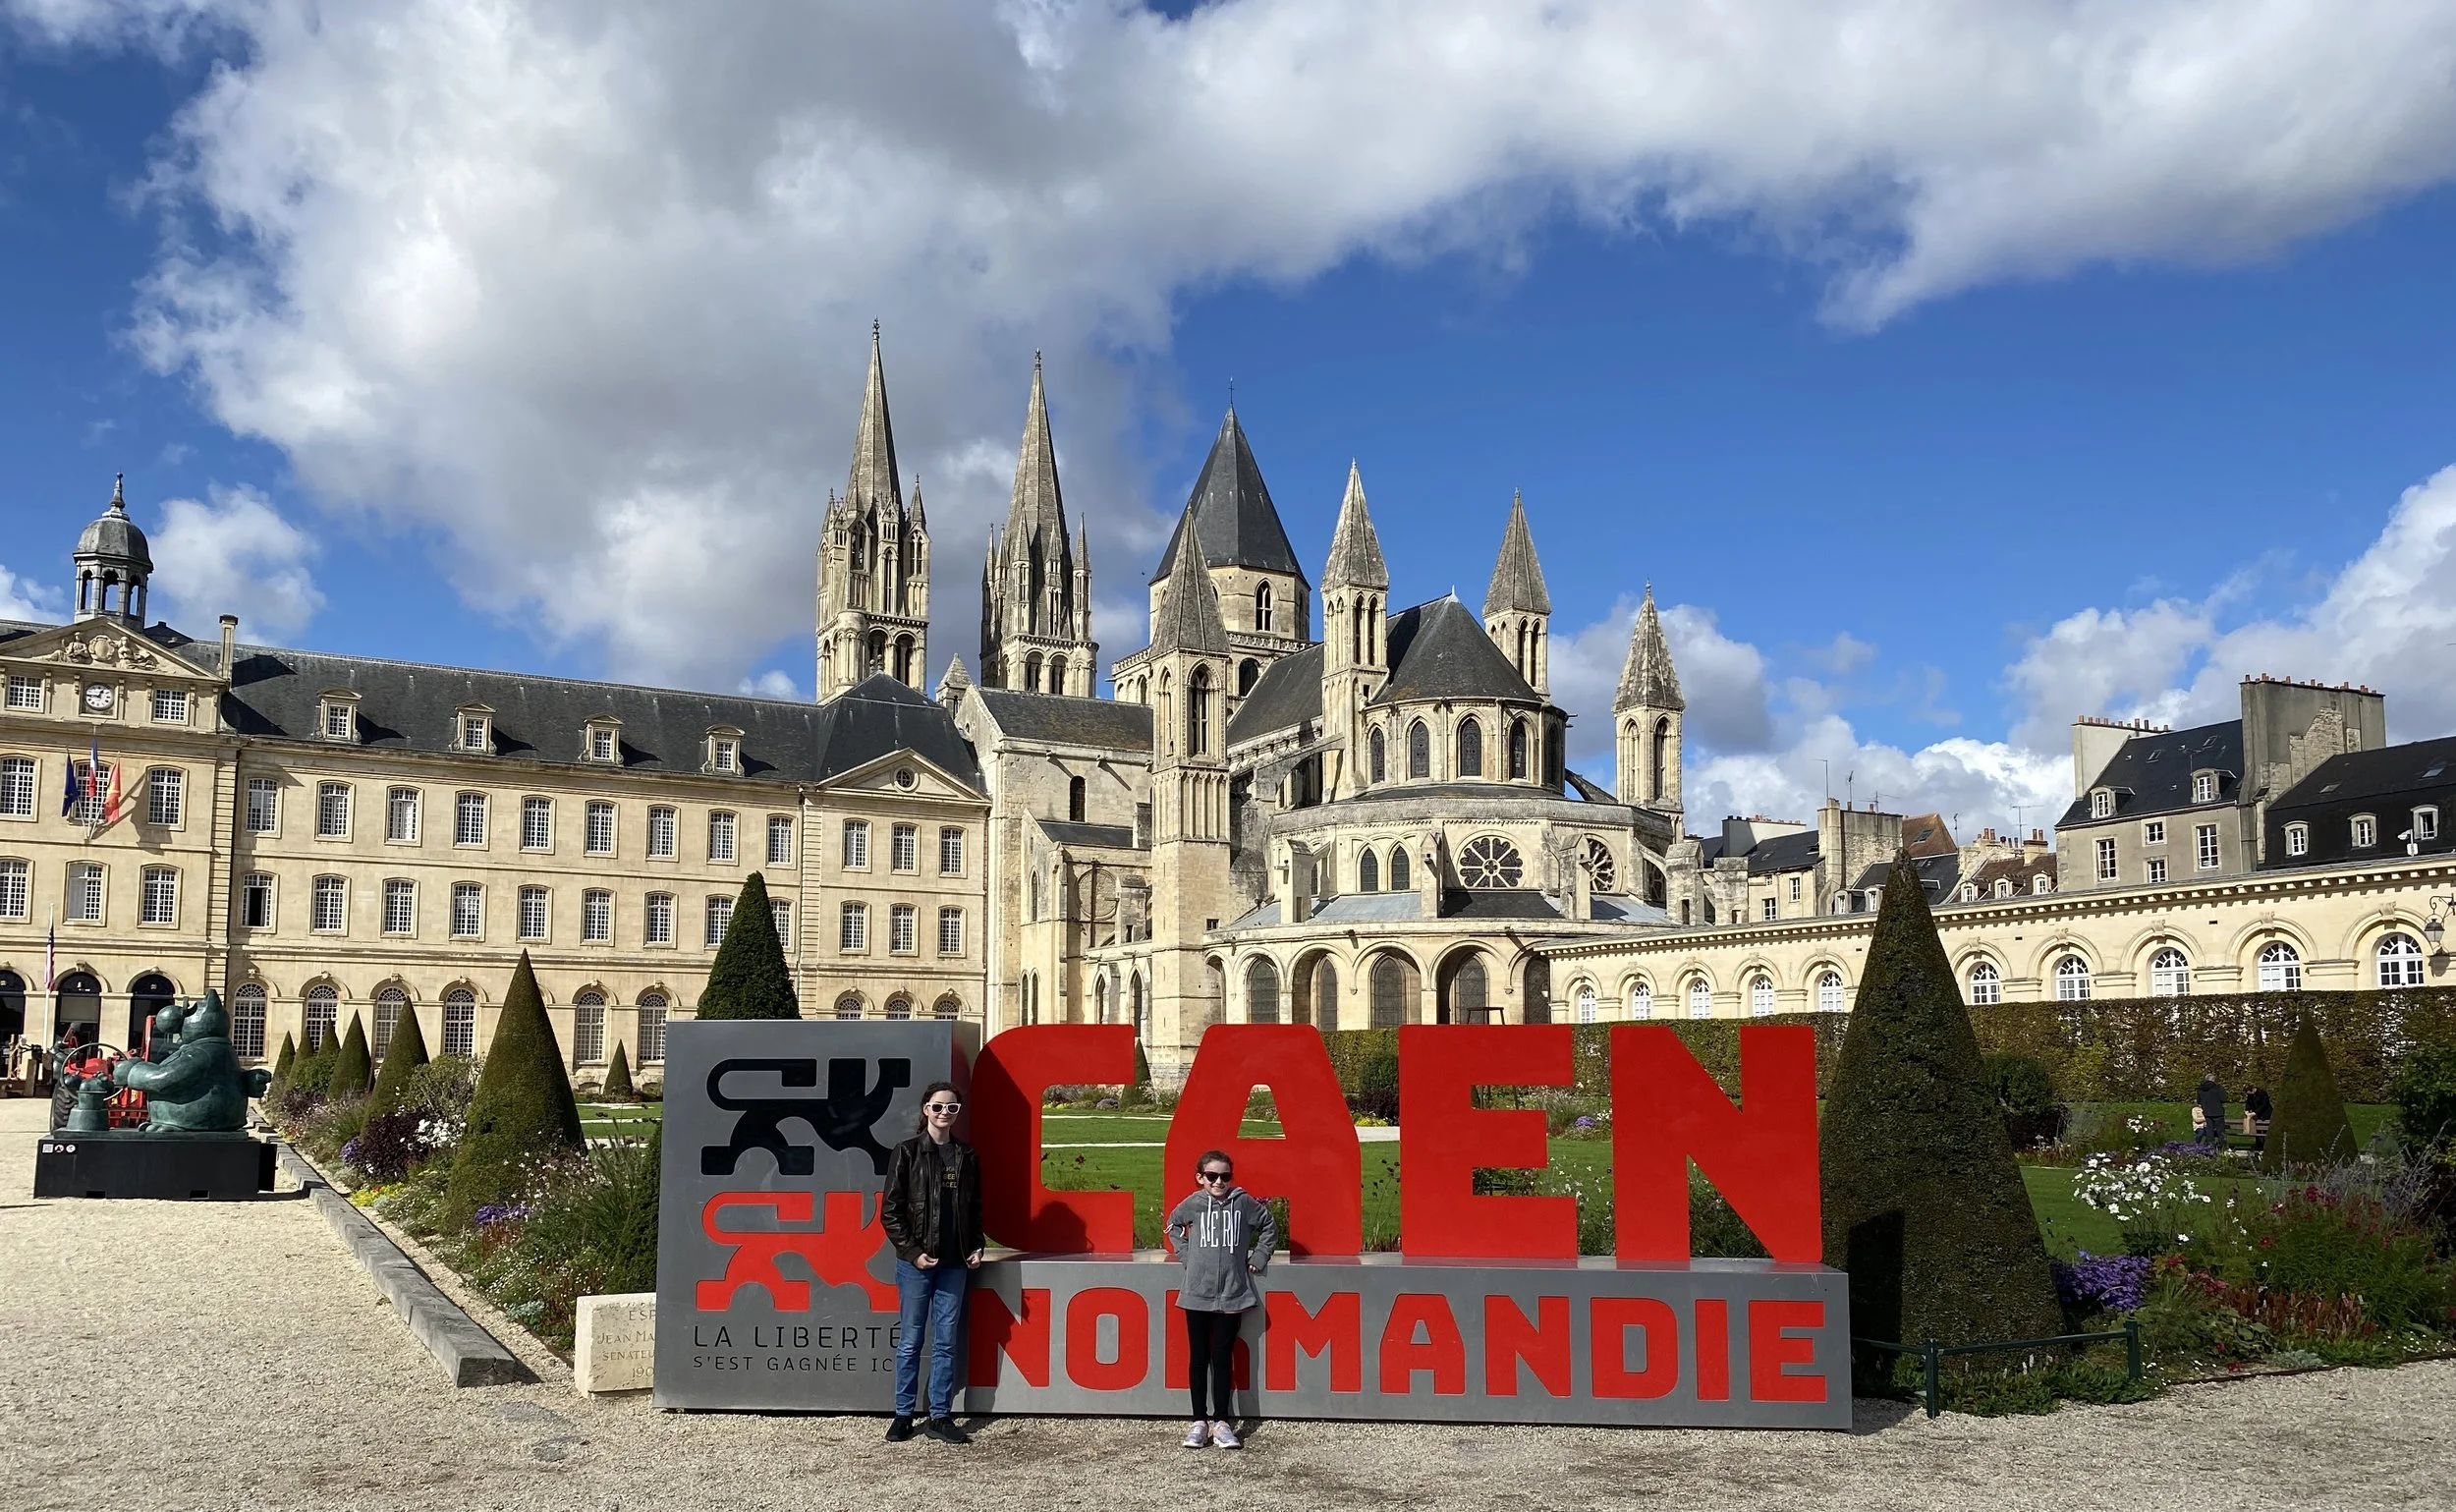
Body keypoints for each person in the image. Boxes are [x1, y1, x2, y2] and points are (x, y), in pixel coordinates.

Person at [878, 1081, 983, 1445]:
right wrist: (912, 1252)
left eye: (952, 1108)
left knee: (946, 1342)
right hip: (917, 1263)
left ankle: (940, 1415)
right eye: (938, 1107)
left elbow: (974, 1209)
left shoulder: (966, 1156)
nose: (944, 1113)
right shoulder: (906, 1153)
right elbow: (890, 1212)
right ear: (926, 1110)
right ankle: (903, 1415)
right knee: (910, 1340)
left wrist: (976, 1245)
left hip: (955, 1263)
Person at [1164, 1149, 1276, 1449]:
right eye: (1212, 1176)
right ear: (1200, 1177)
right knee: (1199, 1358)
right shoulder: (1194, 1203)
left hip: (1233, 1293)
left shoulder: (1243, 1203)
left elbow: (1268, 1226)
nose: (1218, 1182)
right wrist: (1188, 1256)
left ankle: (1223, 1422)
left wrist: (1260, 1256)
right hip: (1196, 1294)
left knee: (1223, 1357)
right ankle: (1199, 1423)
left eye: (1225, 1176)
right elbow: (1173, 1225)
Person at [2194, 1074, 2226, 1148]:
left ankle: (2210, 1146)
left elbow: (2199, 1101)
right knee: (2220, 1131)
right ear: (2213, 1080)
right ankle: (2223, 1147)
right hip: (2218, 1112)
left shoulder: (2201, 1089)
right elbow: (2223, 1099)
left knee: (2209, 1130)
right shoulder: (2218, 1088)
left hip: (2207, 1112)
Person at [2244, 1085, 2274, 1151]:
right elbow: (2248, 1103)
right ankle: (2259, 1145)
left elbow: (2264, 1105)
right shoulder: (2250, 1095)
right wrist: (2247, 1110)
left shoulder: (2262, 1093)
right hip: (2257, 1115)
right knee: (2257, 1130)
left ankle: (2266, 1145)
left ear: (2251, 1090)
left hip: (2265, 1114)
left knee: (2265, 1130)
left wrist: (2255, 1112)